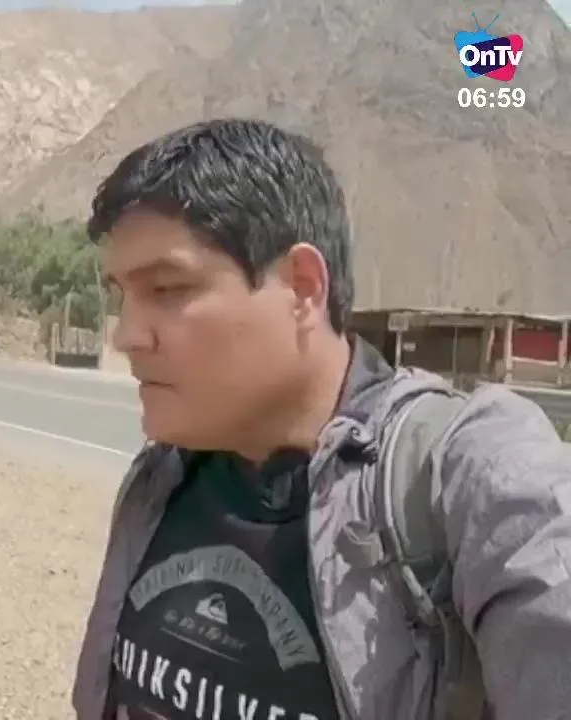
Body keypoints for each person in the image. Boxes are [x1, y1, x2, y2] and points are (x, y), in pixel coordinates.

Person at [66, 118, 571, 719]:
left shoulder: (461, 482)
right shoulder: (161, 483)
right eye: (121, 295)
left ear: (302, 288)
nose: (126, 335)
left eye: (168, 289)